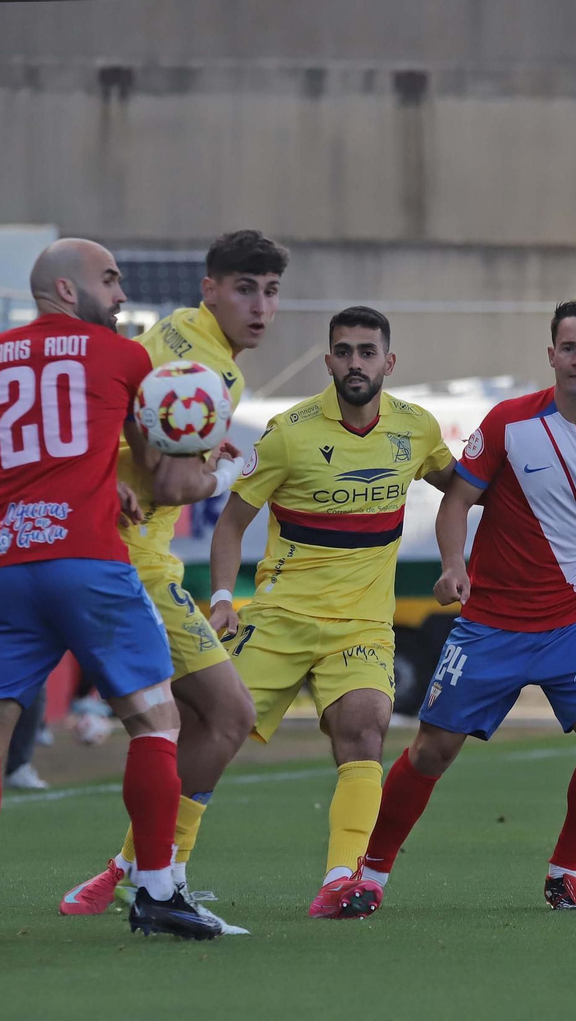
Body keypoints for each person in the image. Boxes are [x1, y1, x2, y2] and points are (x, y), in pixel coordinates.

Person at [0, 239, 231, 944]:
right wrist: (211, 462)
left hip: (8, 566)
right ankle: (156, 890)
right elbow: (166, 481)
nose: (121, 295)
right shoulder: (123, 357)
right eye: (110, 280)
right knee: (157, 722)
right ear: (66, 288)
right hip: (90, 563)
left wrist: (83, 487)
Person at [361, 300, 576, 912]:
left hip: (571, 628)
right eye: (568, 347)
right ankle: (369, 875)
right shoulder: (508, 423)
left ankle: (564, 872)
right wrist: (453, 566)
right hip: (489, 626)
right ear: (551, 354)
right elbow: (455, 502)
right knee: (431, 752)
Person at [55, 230, 289, 935]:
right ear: (210, 289)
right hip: (133, 564)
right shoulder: (204, 367)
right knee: (229, 715)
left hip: (123, 554)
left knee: (187, 723)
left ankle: (132, 871)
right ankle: (164, 882)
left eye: (271, 291)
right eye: (244, 289)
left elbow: (149, 448)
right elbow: (168, 484)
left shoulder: (185, 339)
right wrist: (227, 470)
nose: (260, 306)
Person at [202, 305, 455, 919]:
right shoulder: (288, 433)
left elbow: (464, 488)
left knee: (366, 728)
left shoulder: (416, 428)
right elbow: (231, 525)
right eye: (344, 352)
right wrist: (223, 599)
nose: (355, 363)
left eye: (367, 352)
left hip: (362, 624)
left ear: (388, 362)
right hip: (281, 617)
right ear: (328, 361)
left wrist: (460, 558)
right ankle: (136, 868)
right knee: (210, 733)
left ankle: (343, 879)